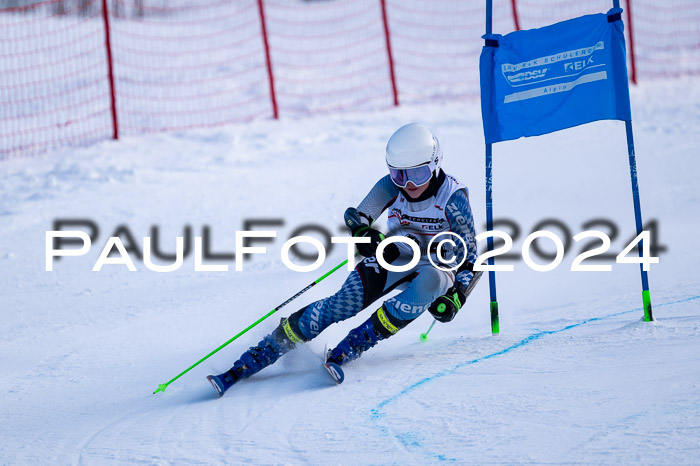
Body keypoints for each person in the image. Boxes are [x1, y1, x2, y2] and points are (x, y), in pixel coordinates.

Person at [207, 123, 480, 397]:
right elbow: (357, 215)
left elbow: (470, 257)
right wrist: (363, 233)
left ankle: (353, 345)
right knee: (342, 305)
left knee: (431, 281)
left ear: (434, 164)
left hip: (437, 266)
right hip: (396, 255)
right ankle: (263, 352)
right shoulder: (391, 186)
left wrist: (458, 295)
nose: (408, 185)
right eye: (399, 175)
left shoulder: (453, 198)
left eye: (418, 175)